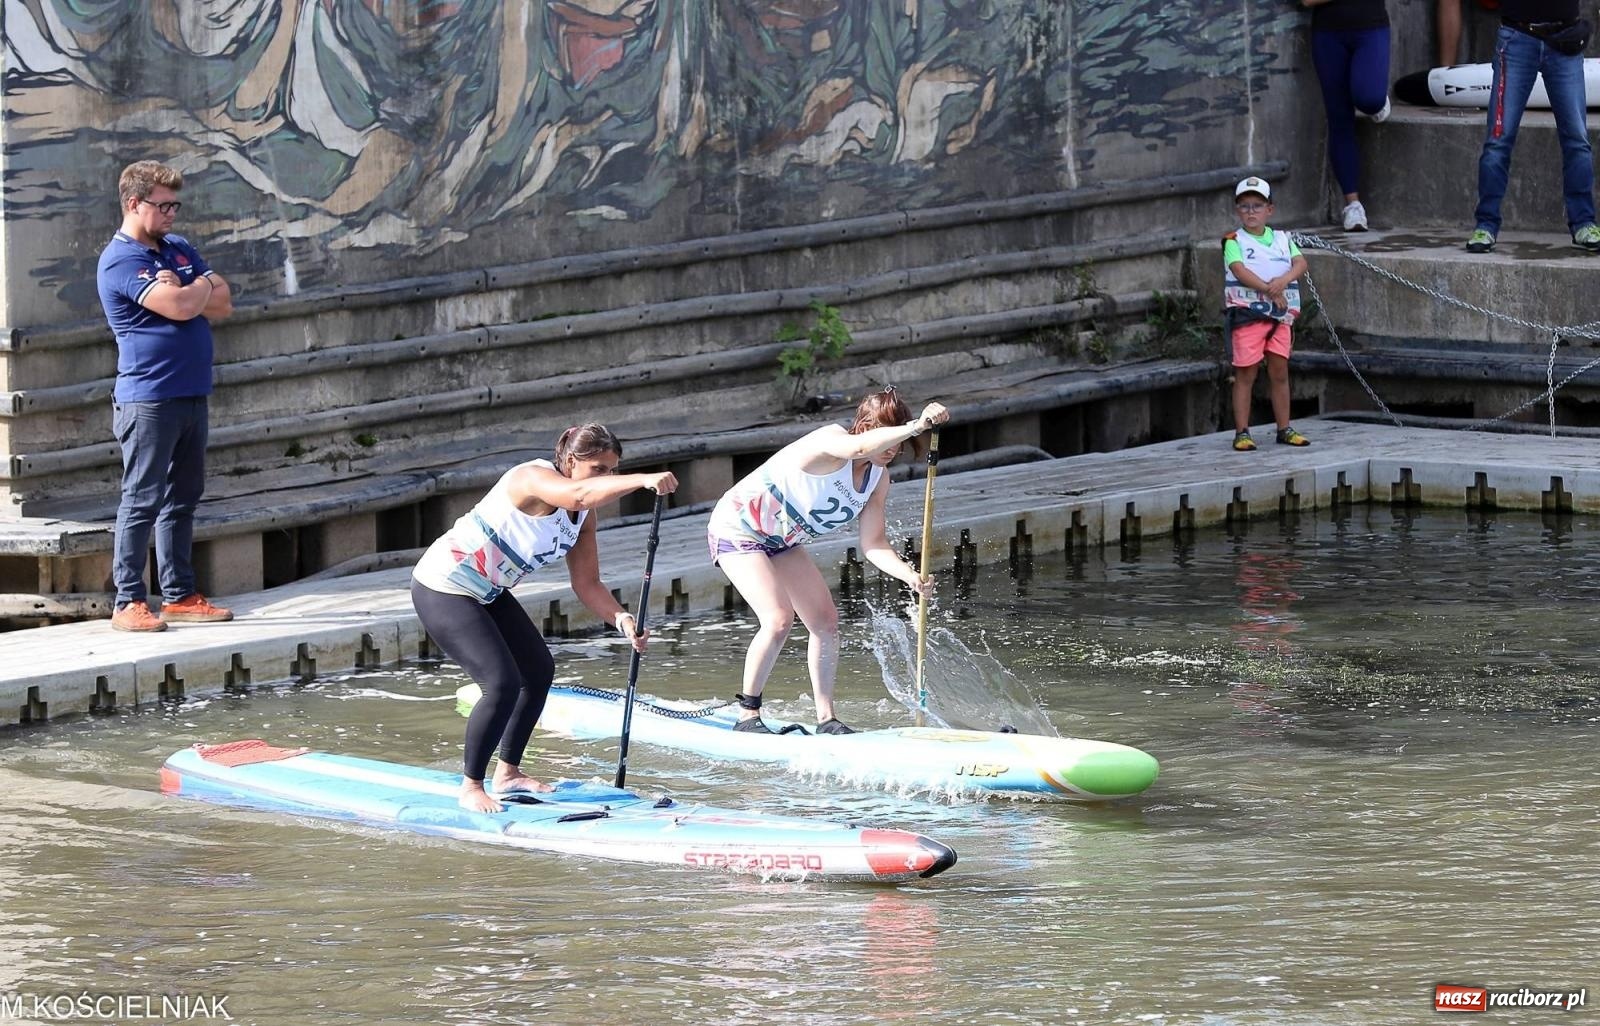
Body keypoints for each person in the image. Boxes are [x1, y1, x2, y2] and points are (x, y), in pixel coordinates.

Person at [411, 424, 677, 813]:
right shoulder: (531, 479)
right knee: (500, 683)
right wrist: (642, 480)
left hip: (489, 590)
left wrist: (621, 618)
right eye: (599, 469)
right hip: (444, 584)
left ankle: (508, 773)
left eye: (611, 470)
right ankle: (471, 785)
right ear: (570, 461)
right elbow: (579, 493)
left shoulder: (583, 516)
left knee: (538, 671)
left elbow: (587, 583)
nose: (605, 478)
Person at [708, 387, 950, 735]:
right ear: (864, 429)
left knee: (826, 622)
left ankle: (826, 719)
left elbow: (874, 543)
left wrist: (908, 574)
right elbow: (860, 448)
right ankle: (747, 715)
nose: (893, 449)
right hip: (738, 527)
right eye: (889, 437)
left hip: (782, 541)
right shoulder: (830, 441)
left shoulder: (878, 480)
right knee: (778, 618)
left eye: (898, 442)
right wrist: (916, 426)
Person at [96, 160, 235, 632]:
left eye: (176, 205)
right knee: (142, 500)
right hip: (149, 399)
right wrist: (201, 285)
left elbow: (223, 303)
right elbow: (179, 307)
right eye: (164, 205)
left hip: (191, 393)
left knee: (183, 499)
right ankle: (128, 601)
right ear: (135, 203)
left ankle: (179, 594)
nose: (172, 213)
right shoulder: (121, 260)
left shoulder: (176, 248)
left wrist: (194, 288)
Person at [1466, 0, 1600, 253]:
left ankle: (1584, 222)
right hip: (1517, 36)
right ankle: (1485, 225)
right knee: (1498, 140)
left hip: (1565, 36)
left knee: (1577, 140)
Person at [1223, 177, 1312, 451]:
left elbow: (1301, 263)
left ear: (1269, 210)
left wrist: (1282, 281)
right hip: (1248, 316)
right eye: (1245, 206)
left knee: (1279, 371)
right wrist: (1270, 290)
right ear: (1238, 210)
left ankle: (1284, 428)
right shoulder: (1233, 241)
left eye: (1257, 205)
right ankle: (1242, 432)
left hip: (1280, 318)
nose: (1251, 211)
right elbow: (1239, 270)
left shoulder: (1283, 239)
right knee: (1245, 374)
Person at [1304, 0, 1392, 231]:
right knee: (1339, 116)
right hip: (1327, 33)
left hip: (1370, 26)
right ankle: (1353, 204)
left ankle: (1376, 102)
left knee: (1370, 99)